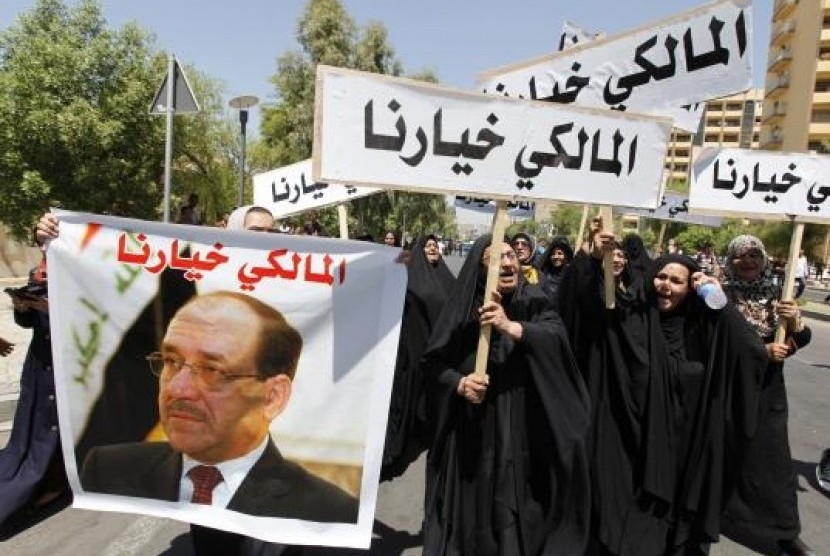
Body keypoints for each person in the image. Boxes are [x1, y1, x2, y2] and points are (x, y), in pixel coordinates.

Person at [558, 217, 767, 556]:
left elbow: (750, 351)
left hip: (683, 458)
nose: (665, 286)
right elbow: (585, 311)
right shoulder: (631, 321)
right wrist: (592, 258)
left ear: (690, 287)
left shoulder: (704, 331)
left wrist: (716, 297)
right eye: (661, 276)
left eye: (677, 280)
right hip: (631, 455)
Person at [80, 291, 358, 524]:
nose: (177, 389)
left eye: (212, 370)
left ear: (272, 397)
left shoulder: (329, 512)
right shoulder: (106, 469)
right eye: (171, 362)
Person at [422, 234, 591, 556]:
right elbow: (432, 364)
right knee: (474, 517)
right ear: (479, 267)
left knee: (513, 511)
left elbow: (556, 340)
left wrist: (512, 327)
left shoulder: (535, 301)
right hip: (473, 437)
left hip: (522, 433)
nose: (509, 263)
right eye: (496, 258)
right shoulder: (460, 311)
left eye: (512, 255)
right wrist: (459, 383)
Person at [721, 235, 815, 556]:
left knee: (774, 462)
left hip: (768, 391)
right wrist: (761, 350)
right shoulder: (719, 295)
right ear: (729, 259)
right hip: (728, 386)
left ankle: (786, 532)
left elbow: (800, 339)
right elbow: (713, 343)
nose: (746, 262)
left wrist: (795, 322)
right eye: (739, 256)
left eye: (753, 256)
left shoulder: (779, 294)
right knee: (725, 451)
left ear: (763, 260)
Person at [0, 258, 69, 525]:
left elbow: (89, 321)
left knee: (56, 429)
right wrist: (22, 307)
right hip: (39, 365)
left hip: (66, 366)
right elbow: (28, 323)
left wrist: (53, 309)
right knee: (33, 423)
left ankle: (54, 483)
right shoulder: (38, 273)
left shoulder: (76, 278)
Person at [381, 234, 456, 481]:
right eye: (428, 246)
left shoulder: (447, 278)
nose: (433, 249)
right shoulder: (407, 274)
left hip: (439, 352)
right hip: (411, 350)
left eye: (436, 246)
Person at [537, 235, 573, 310]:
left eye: (560, 254)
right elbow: (536, 267)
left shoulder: (571, 273)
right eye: (553, 254)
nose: (556, 257)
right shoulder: (545, 271)